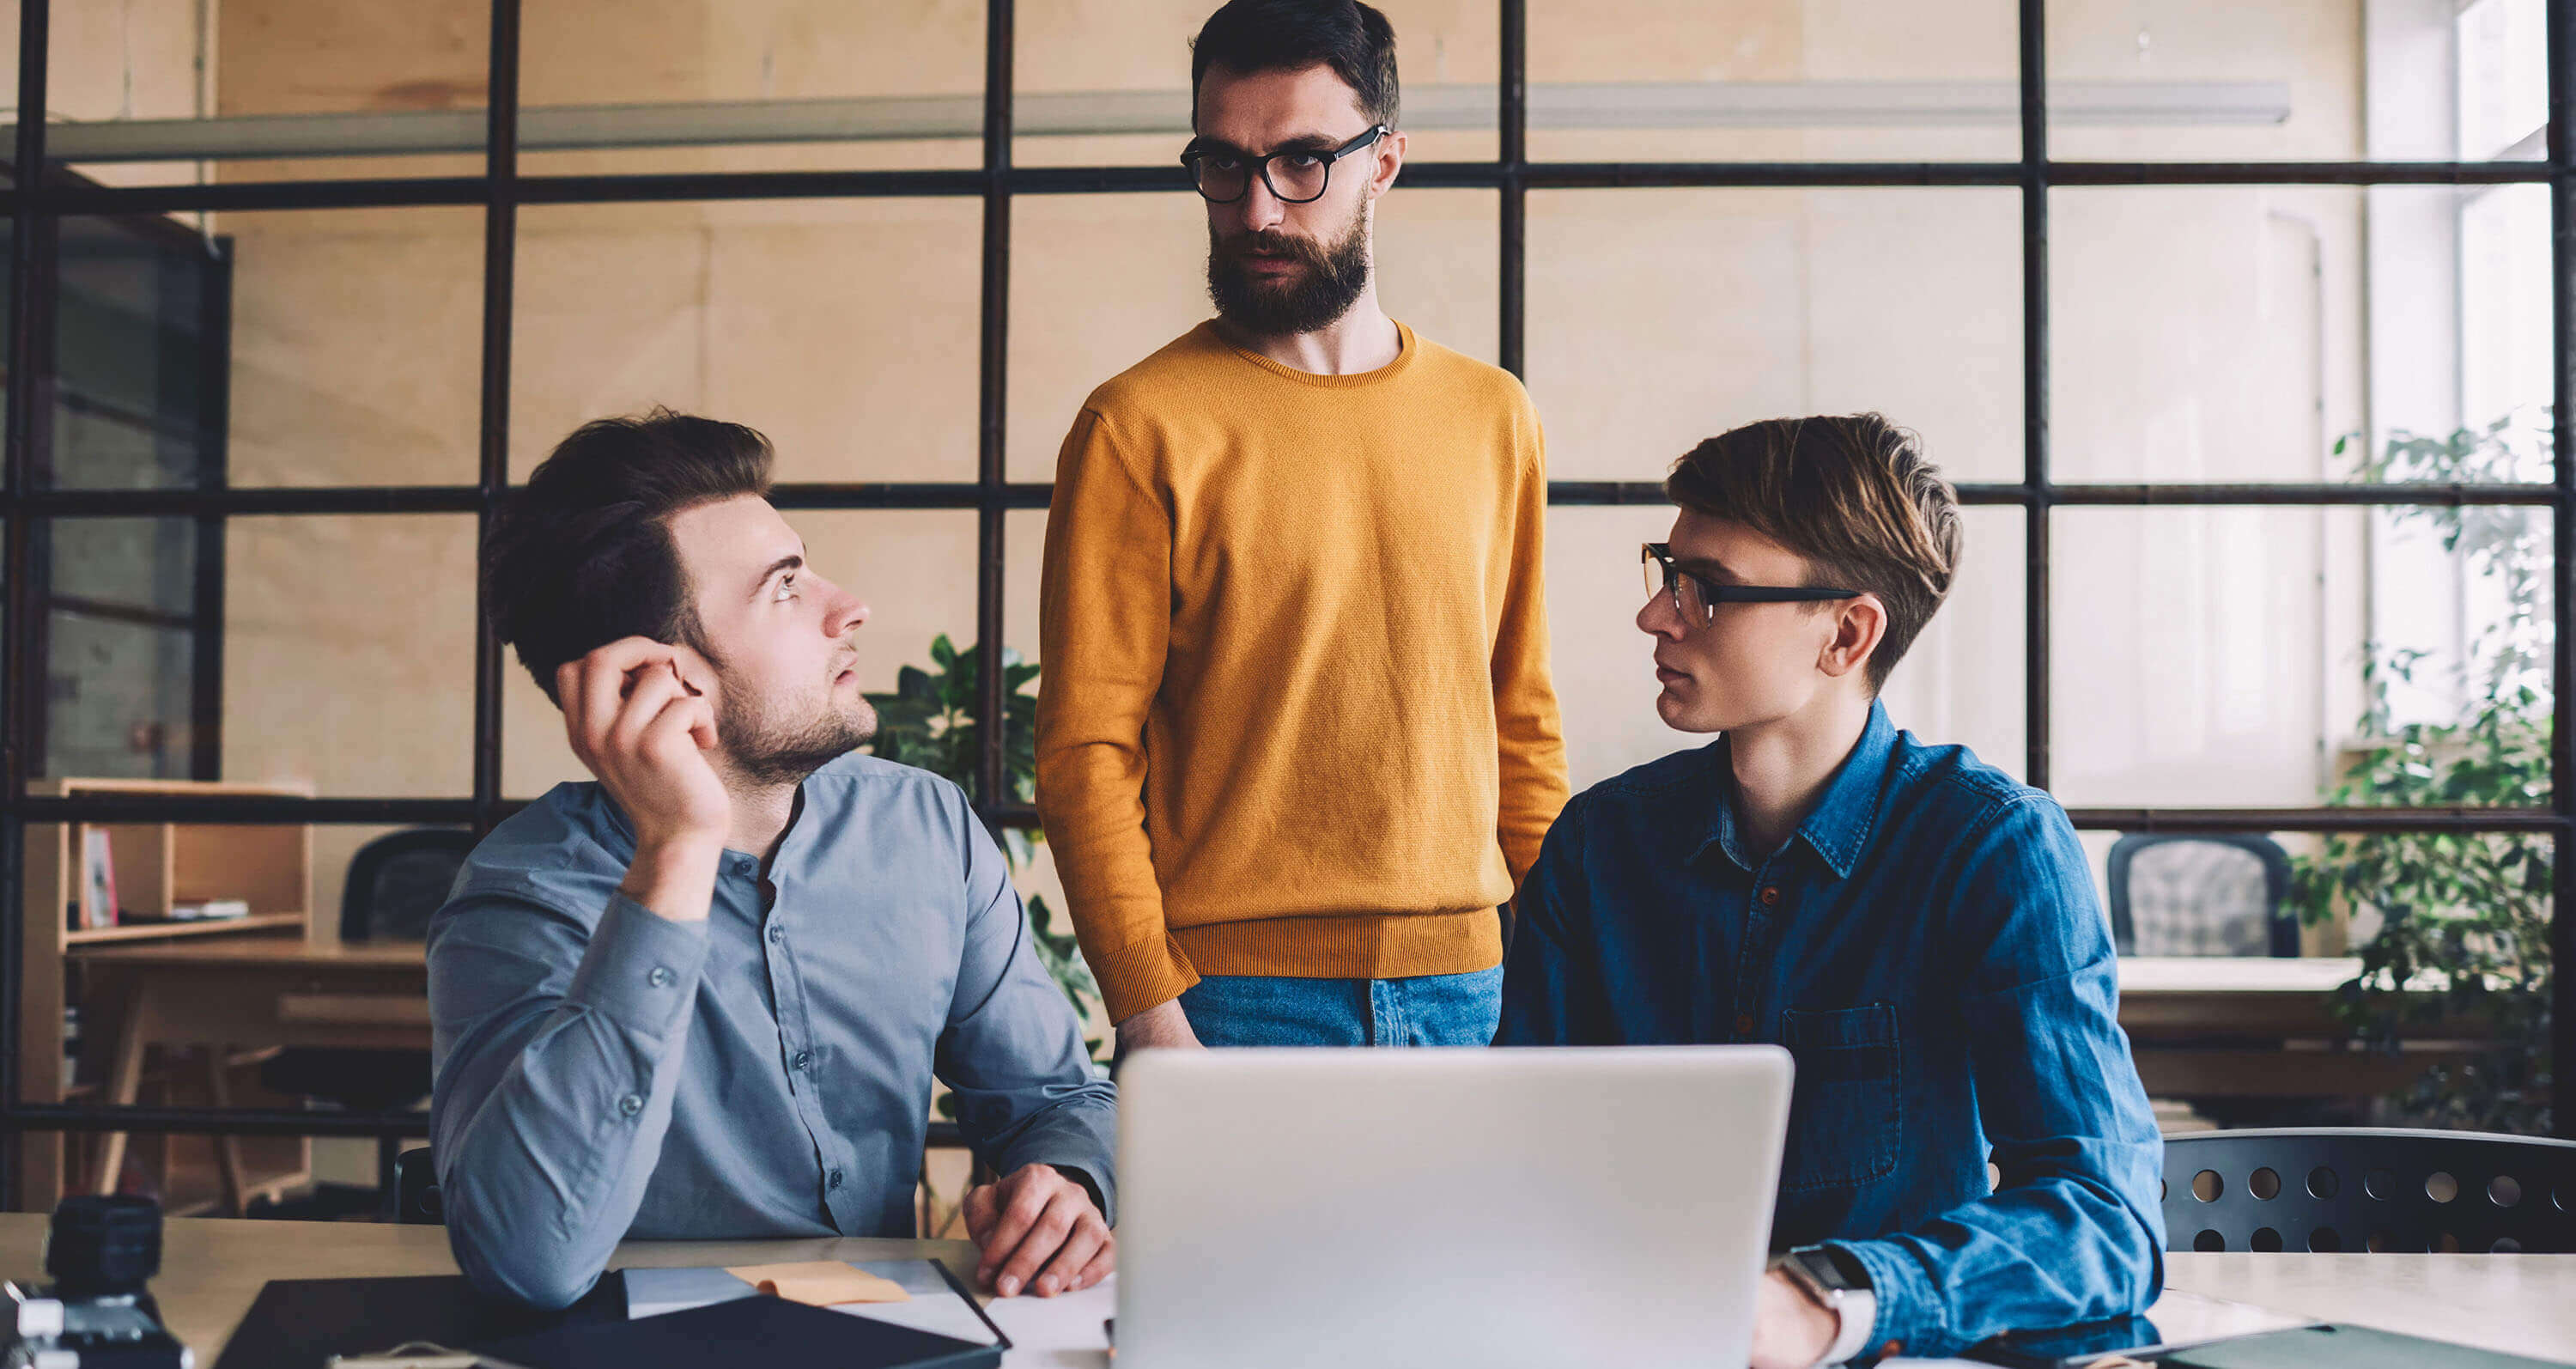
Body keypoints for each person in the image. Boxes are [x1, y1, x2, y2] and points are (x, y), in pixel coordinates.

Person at [1496, 415, 2164, 1366]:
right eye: (1666, 570)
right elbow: (1522, 1167)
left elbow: (2106, 1223)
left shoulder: (1993, 848)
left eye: (1709, 591)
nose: (1657, 615)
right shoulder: (1601, 846)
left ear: (1847, 633)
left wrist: (1827, 1301)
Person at [429, 411, 1116, 1309]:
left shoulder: (924, 828)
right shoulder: (526, 895)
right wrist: (677, 850)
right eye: (787, 589)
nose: (849, 607)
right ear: (660, 678)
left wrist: (1069, 1182)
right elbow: (527, 1262)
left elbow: (1054, 1097)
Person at [1037, 0, 1567, 1054]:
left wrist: (1560, 970)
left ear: (1386, 161)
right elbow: (1084, 752)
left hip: (1476, 983)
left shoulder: (1492, 414)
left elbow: (1522, 719)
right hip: (1231, 998)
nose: (1258, 208)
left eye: (1303, 161)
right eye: (1224, 165)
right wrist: (1148, 1007)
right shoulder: (1138, 426)